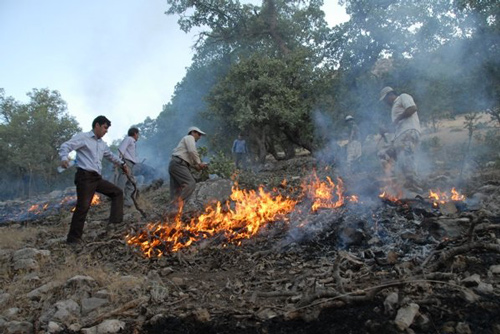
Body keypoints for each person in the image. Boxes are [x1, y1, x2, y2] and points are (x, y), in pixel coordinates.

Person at [59, 115, 128, 245]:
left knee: (117, 193)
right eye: (105, 128)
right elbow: (66, 146)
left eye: (107, 129)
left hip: (97, 178)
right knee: (83, 207)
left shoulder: (102, 144)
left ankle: (115, 224)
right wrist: (64, 158)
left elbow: (111, 156)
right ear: (97, 125)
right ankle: (73, 240)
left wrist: (123, 165)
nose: (106, 131)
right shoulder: (83, 137)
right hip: (84, 177)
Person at [379, 86, 423, 192]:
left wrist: (398, 119)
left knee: (407, 159)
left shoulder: (403, 97)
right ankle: (395, 182)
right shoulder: (394, 108)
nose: (385, 103)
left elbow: (412, 108)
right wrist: (385, 130)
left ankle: (414, 186)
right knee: (384, 154)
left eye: (385, 99)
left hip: (409, 133)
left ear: (390, 95)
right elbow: (396, 126)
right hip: (401, 136)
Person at [168, 126, 208, 210]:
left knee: (177, 191)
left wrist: (197, 166)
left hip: (175, 164)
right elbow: (192, 151)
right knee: (190, 183)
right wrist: (199, 163)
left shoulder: (186, 142)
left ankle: (171, 212)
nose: (200, 137)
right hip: (178, 164)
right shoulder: (190, 137)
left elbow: (188, 159)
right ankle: (177, 205)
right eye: (199, 134)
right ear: (193, 132)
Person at [116, 127, 139, 207]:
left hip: (131, 164)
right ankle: (117, 201)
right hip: (126, 163)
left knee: (132, 183)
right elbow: (121, 150)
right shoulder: (128, 139)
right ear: (135, 133)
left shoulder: (132, 142)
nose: (138, 136)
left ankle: (127, 202)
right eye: (138, 134)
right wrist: (121, 163)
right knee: (122, 182)